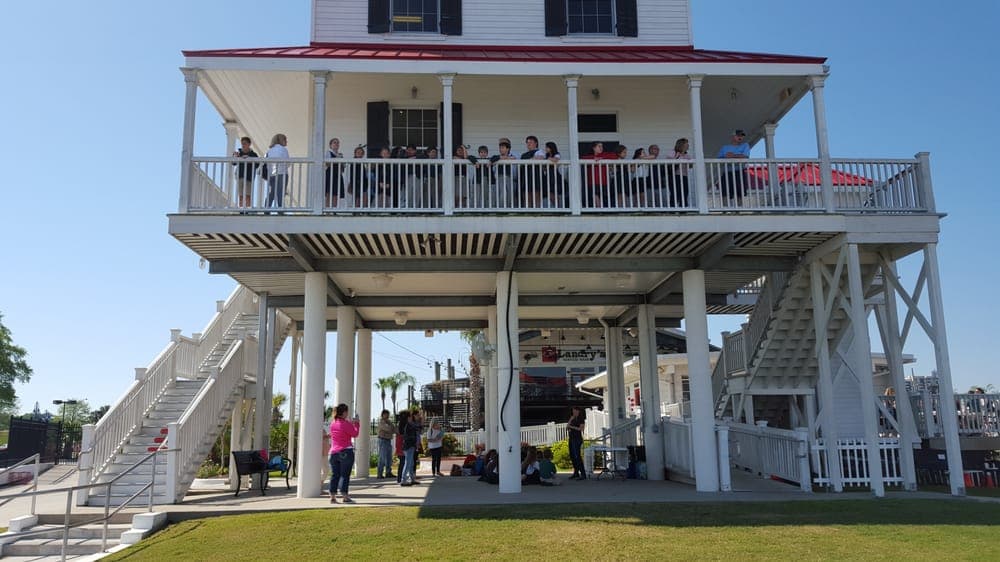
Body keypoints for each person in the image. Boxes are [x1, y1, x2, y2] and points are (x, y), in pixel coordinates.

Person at [328, 403, 360, 504]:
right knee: (345, 475)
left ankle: (332, 496)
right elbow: (355, 434)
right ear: (344, 412)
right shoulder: (346, 423)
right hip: (346, 451)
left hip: (333, 452)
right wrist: (357, 424)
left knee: (335, 475)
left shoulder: (333, 423)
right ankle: (345, 496)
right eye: (347, 412)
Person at [717, 129, 751, 206]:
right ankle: (725, 208)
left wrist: (732, 156)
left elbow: (745, 157)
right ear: (733, 136)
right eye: (738, 135)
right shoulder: (725, 147)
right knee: (725, 190)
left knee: (740, 191)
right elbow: (719, 159)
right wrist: (728, 157)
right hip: (727, 172)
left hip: (739, 171)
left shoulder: (745, 145)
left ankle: (740, 208)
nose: (740, 137)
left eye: (742, 136)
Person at [520, 136, 547, 208]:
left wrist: (529, 160)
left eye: (530, 142)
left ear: (536, 143)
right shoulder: (523, 155)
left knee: (536, 196)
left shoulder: (539, 151)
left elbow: (540, 158)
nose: (528, 144)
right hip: (525, 177)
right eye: (527, 143)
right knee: (526, 196)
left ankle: (537, 213)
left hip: (536, 176)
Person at [264, 133, 289, 209]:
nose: (286, 141)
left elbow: (266, 162)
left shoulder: (269, 151)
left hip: (272, 174)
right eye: (285, 140)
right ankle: (280, 209)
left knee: (271, 192)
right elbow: (288, 162)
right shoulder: (283, 149)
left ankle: (267, 209)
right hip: (282, 173)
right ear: (281, 140)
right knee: (280, 193)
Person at [231, 136, 258, 208]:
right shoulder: (239, 153)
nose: (243, 145)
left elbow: (257, 164)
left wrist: (249, 158)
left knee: (248, 195)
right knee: (241, 195)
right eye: (242, 143)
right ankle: (241, 210)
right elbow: (233, 163)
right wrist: (235, 156)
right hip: (240, 176)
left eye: (245, 143)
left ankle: (248, 210)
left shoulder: (253, 154)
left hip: (249, 177)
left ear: (249, 144)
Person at [667, 138, 693, 208]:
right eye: (686, 143)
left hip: (684, 176)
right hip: (674, 176)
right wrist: (677, 156)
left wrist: (689, 162)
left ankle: (683, 208)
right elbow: (668, 163)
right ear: (681, 144)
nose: (688, 145)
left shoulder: (687, 155)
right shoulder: (673, 152)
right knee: (675, 193)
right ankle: (672, 208)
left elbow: (690, 166)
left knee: (685, 192)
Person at [491, 139, 517, 207]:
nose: (500, 149)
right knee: (502, 193)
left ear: (507, 149)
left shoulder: (512, 155)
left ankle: (508, 208)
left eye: (502, 148)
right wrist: (502, 158)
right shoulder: (496, 157)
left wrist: (504, 158)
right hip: (500, 177)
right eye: (500, 148)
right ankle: (501, 208)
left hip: (510, 177)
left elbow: (514, 158)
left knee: (510, 194)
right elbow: (492, 160)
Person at [401, 411, 422, 486]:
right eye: (410, 416)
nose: (411, 417)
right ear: (407, 418)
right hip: (409, 446)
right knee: (408, 463)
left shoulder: (409, 425)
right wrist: (421, 420)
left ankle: (412, 479)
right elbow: (418, 427)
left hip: (410, 446)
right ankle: (403, 480)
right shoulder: (409, 425)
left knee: (411, 463)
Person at [376, 409, 396, 479]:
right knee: (382, 458)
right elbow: (388, 429)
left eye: (388, 414)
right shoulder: (381, 422)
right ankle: (379, 474)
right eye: (386, 414)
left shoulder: (389, 422)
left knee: (389, 458)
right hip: (383, 440)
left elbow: (394, 429)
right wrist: (390, 428)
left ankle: (388, 472)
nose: (387, 415)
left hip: (388, 440)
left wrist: (391, 428)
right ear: (382, 415)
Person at [324, 138, 345, 208]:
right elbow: (327, 164)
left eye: (338, 143)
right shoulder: (328, 153)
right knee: (329, 193)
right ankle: (327, 210)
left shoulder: (340, 155)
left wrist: (341, 163)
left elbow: (342, 168)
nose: (336, 144)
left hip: (338, 175)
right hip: (330, 174)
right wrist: (336, 158)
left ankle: (334, 209)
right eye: (334, 143)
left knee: (336, 193)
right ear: (330, 145)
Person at [567, 406, 586, 479]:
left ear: (578, 411)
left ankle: (583, 474)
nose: (573, 412)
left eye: (575, 411)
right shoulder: (572, 419)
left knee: (577, 456)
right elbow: (567, 426)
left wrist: (572, 427)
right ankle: (576, 472)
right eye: (573, 411)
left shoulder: (581, 419)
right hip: (571, 438)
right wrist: (571, 419)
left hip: (577, 439)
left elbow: (581, 429)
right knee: (572, 456)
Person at [543, 141, 563, 208]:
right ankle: (555, 207)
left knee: (554, 192)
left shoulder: (556, 154)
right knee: (549, 193)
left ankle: (558, 207)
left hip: (554, 175)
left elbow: (556, 159)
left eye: (547, 147)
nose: (545, 149)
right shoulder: (546, 155)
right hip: (547, 175)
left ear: (551, 148)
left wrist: (548, 159)